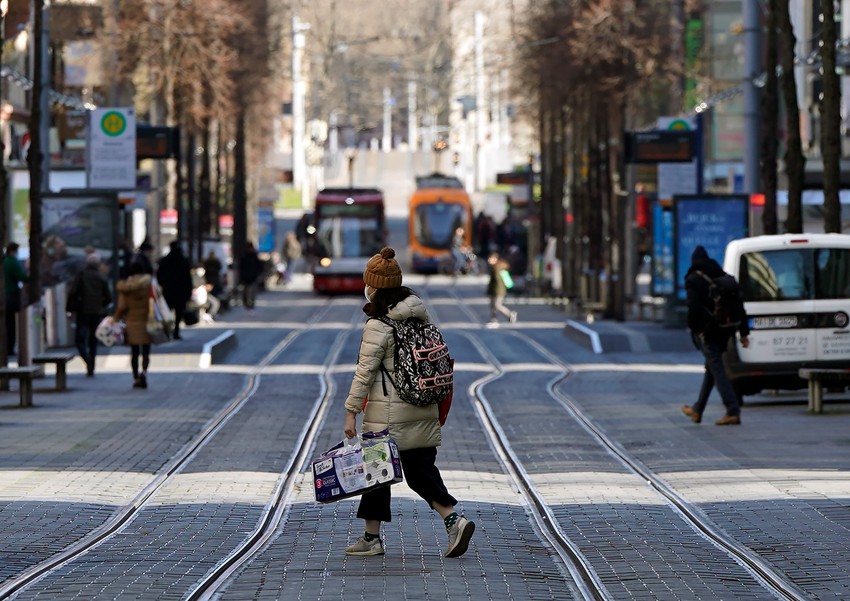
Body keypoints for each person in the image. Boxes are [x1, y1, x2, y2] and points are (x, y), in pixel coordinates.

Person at [342, 247, 475, 558]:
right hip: (423, 409)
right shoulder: (419, 317)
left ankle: (374, 539)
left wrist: (350, 412)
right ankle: (451, 520)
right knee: (419, 471)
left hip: (387, 416)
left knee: (376, 472)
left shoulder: (379, 325)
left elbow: (364, 372)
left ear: (373, 288)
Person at [682, 245, 750, 426]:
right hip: (725, 329)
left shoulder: (694, 279)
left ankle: (732, 409)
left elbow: (693, 308)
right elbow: (739, 306)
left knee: (717, 369)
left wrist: (696, 329)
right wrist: (743, 332)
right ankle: (697, 409)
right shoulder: (723, 277)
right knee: (711, 368)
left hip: (709, 331)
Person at [66, 252, 112, 376]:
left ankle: (87, 359)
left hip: (83, 311)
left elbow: (73, 292)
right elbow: (109, 297)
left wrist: (69, 307)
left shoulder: (81, 276)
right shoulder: (101, 278)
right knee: (93, 339)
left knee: (80, 339)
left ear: (87, 263)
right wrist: (101, 305)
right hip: (97, 312)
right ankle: (92, 364)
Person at [113, 261, 153, 389]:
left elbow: (122, 306)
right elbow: (155, 300)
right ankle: (144, 373)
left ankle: (135, 377)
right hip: (147, 320)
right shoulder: (149, 285)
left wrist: (115, 319)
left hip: (132, 321)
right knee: (146, 350)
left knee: (134, 351)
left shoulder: (126, 287)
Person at [156, 241, 193, 339]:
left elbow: (159, 275)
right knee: (179, 313)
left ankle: (167, 331)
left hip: (168, 290)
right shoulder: (184, 261)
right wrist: (189, 292)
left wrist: (163, 284)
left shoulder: (165, 260)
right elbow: (188, 278)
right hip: (181, 291)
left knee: (166, 312)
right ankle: (176, 331)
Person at [3, 242, 29, 357]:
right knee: (11, 324)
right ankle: (9, 348)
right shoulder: (12, 262)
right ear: (13, 251)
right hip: (11, 296)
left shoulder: (4, 261)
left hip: (5, 295)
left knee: (6, 323)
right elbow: (22, 277)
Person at [485, 254, 517, 328]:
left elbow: (498, 281)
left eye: (491, 259)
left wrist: (496, 290)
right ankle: (493, 320)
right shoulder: (495, 267)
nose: (489, 260)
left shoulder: (497, 268)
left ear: (496, 259)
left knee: (497, 305)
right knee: (493, 306)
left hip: (498, 291)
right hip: (494, 290)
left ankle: (510, 314)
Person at [238, 242, 263, 310]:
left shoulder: (254, 256)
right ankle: (246, 304)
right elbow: (241, 267)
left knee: (252, 292)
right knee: (245, 292)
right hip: (246, 277)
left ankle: (251, 304)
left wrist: (258, 274)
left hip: (253, 277)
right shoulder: (244, 256)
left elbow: (259, 266)